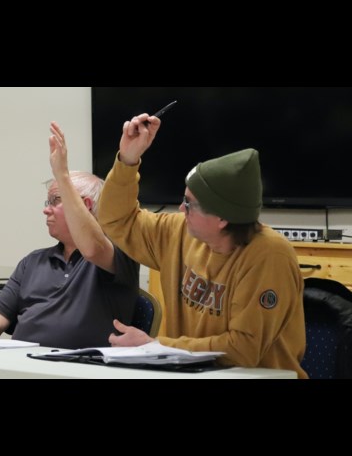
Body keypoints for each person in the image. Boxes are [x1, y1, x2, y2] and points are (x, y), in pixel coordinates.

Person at [96, 109, 307, 377]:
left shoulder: (269, 254)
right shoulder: (178, 231)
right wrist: (128, 159)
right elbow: (115, 220)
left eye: (189, 203)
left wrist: (156, 345)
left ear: (221, 217)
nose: (181, 210)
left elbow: (243, 350)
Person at [0, 122, 139, 348]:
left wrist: (62, 175)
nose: (46, 209)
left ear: (84, 205)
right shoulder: (32, 262)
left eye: (56, 201)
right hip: (20, 364)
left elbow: (93, 250)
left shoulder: (119, 251)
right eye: (48, 201)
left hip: (82, 368)